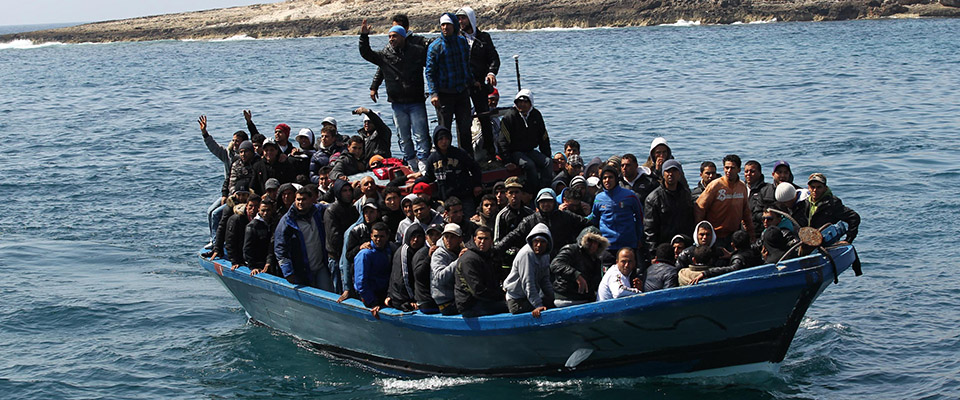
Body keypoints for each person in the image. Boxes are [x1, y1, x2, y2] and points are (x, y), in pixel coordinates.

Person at [358, 19, 430, 171]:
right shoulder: (386, 54)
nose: (391, 39)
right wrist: (364, 37)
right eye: (389, 36)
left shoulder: (417, 51)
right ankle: (411, 161)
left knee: (421, 134)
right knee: (403, 137)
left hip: (416, 101)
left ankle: (423, 161)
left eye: (394, 36)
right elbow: (367, 54)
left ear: (403, 37)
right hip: (397, 103)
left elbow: (432, 63)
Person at [425, 13, 475, 157]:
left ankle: (467, 159)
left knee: (465, 128)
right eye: (442, 25)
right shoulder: (435, 47)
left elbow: (466, 65)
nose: (445, 27)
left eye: (448, 24)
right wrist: (433, 94)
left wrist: (472, 81)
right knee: (444, 131)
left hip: (462, 92)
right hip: (444, 94)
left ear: (454, 25)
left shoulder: (462, 42)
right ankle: (444, 160)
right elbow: (430, 72)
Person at [456, 6, 499, 161]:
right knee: (463, 120)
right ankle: (466, 155)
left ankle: (490, 153)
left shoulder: (484, 38)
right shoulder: (456, 39)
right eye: (458, 18)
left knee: (484, 117)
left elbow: (494, 59)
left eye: (463, 18)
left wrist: (491, 72)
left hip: (480, 85)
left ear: (471, 19)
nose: (460, 21)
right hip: (462, 86)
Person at [496, 188, 591, 258]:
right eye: (543, 202)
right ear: (538, 203)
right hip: (539, 259)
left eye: (549, 201)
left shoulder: (566, 216)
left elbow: (588, 225)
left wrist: (578, 245)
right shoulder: (530, 220)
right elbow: (513, 236)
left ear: (554, 202)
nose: (546, 204)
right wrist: (496, 249)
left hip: (563, 257)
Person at [415, 126, 482, 213]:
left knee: (469, 219)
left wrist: (477, 184)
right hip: (446, 200)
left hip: (464, 197)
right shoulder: (432, 158)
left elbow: (475, 168)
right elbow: (429, 177)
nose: (444, 142)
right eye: (441, 139)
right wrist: (415, 182)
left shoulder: (460, 153)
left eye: (447, 139)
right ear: (436, 141)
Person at [275, 186, 331, 289]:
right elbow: (280, 247)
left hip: (320, 266)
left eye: (304, 199)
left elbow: (334, 208)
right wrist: (288, 271)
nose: (300, 202)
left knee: (328, 293)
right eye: (298, 199)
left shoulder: (318, 212)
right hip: (301, 271)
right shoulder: (287, 221)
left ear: (311, 200)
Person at [498, 89, 553, 192]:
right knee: (529, 165)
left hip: (530, 150)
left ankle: (545, 189)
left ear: (530, 103)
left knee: (548, 162)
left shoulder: (536, 115)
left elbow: (543, 137)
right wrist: (507, 161)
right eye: (520, 102)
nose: (522, 105)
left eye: (525, 102)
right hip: (516, 152)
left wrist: (547, 154)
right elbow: (502, 141)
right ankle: (533, 190)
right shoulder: (509, 117)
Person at [695, 154, 755, 247]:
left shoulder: (742, 186)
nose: (729, 171)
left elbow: (746, 213)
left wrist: (751, 235)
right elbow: (700, 208)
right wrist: (700, 232)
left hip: (734, 234)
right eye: (726, 168)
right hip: (715, 235)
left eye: (732, 168)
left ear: (739, 170)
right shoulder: (715, 185)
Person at [643, 159, 695, 257]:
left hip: (684, 245)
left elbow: (690, 221)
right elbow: (649, 230)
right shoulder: (653, 198)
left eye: (674, 171)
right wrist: (653, 253)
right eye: (668, 171)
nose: (671, 174)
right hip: (663, 247)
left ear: (679, 174)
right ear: (663, 174)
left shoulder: (686, 194)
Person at [591, 165, 645, 258]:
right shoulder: (599, 198)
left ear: (616, 179)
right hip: (607, 245)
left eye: (610, 177)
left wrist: (639, 237)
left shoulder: (630, 195)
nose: (607, 180)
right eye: (604, 178)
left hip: (628, 243)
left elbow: (640, 216)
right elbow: (594, 217)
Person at [502, 223, 554, 317]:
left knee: (552, 303)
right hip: (517, 300)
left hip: (529, 296)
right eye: (536, 241)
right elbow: (528, 283)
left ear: (547, 244)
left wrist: (553, 298)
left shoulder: (545, 255)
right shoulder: (526, 254)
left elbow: (545, 280)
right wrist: (538, 305)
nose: (539, 245)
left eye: (542, 242)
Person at [455, 226, 508, 317]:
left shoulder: (490, 256)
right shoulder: (469, 259)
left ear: (491, 241)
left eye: (486, 239)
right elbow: (477, 290)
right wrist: (501, 297)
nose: (482, 242)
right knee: (513, 306)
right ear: (475, 239)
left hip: (485, 300)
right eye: (480, 238)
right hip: (470, 305)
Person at [792, 173, 861, 242]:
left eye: (819, 187)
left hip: (826, 242)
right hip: (807, 242)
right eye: (812, 187)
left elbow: (854, 217)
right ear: (808, 187)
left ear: (825, 188)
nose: (815, 190)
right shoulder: (804, 203)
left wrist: (848, 239)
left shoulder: (832, 204)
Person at [550, 226, 609, 307]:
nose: (593, 245)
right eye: (590, 241)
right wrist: (576, 275)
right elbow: (556, 264)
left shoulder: (596, 260)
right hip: (566, 298)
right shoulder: (571, 249)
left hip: (585, 299)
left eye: (596, 242)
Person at [340, 200, 381, 301]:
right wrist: (359, 247)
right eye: (366, 212)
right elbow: (348, 255)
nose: (368, 215)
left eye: (371, 212)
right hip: (362, 274)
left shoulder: (383, 228)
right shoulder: (356, 230)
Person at [323, 179, 359, 290]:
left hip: (350, 255)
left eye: (349, 190)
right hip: (337, 257)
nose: (348, 193)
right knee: (339, 289)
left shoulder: (352, 209)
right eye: (344, 191)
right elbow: (334, 238)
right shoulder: (331, 210)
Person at [354, 222, 394, 317]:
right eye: (376, 236)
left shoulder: (389, 250)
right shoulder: (365, 254)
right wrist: (373, 302)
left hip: (385, 294)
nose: (378, 239)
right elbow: (361, 283)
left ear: (387, 236)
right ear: (371, 236)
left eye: (382, 236)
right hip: (371, 297)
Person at [387, 224, 426, 311]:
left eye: (419, 236)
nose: (416, 240)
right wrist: (411, 299)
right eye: (413, 236)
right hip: (401, 298)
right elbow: (404, 278)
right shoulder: (405, 252)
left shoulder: (422, 250)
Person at [431, 223, 464, 315]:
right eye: (446, 237)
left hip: (458, 298)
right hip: (446, 303)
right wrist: (459, 261)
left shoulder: (461, 250)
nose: (448, 240)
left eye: (452, 237)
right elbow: (440, 278)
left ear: (460, 239)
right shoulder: (439, 254)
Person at [412, 223, 444, 314]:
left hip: (440, 298)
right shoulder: (421, 253)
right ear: (426, 237)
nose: (434, 237)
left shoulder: (445, 252)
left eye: (438, 234)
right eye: (431, 235)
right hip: (426, 301)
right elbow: (418, 275)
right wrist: (429, 258)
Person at [244, 197, 277, 276]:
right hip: (259, 264)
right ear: (258, 210)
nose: (265, 213)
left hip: (271, 262)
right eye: (263, 210)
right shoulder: (252, 226)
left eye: (268, 210)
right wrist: (253, 267)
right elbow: (247, 249)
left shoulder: (273, 223)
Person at [225, 195, 260, 269]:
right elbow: (230, 241)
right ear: (246, 206)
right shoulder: (236, 219)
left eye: (256, 206)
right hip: (239, 252)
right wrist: (234, 261)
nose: (253, 209)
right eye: (251, 206)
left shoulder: (260, 219)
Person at [744, 160, 777, 237]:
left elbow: (770, 212)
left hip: (759, 231)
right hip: (743, 231)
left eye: (752, 171)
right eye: (746, 171)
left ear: (760, 173)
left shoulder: (768, 189)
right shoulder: (740, 188)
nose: (748, 174)